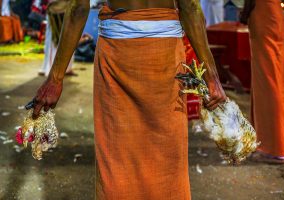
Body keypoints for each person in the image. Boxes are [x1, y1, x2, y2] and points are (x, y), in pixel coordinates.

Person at [29, 0, 226, 199]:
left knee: (117, 156)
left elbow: (78, 8)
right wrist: (212, 77)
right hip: (164, 54)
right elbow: (190, 7)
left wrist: (55, 79)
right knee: (166, 155)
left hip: (118, 54)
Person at [241, 0, 284, 164]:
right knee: (277, 79)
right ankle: (283, 145)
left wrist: (245, 12)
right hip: (273, 13)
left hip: (263, 13)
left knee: (267, 82)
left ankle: (274, 148)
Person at [38, 0, 76, 76]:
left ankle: (67, 68)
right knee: (53, 40)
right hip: (55, 8)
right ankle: (52, 69)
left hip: (68, 7)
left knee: (69, 40)